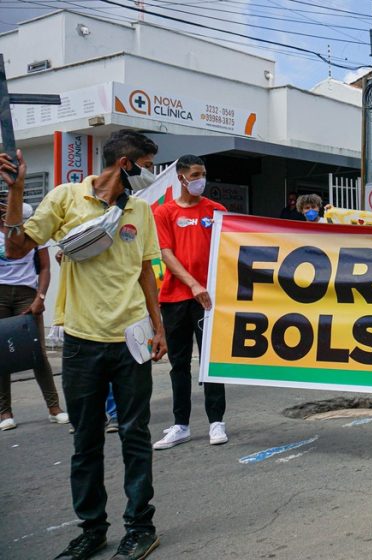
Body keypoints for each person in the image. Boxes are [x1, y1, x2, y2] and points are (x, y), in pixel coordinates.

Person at [1, 130, 166, 560]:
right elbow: (17, 245)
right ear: (127, 165)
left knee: (134, 434)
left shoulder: (140, 209)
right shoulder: (65, 198)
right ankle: (92, 528)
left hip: (131, 338)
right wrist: (16, 192)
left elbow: (147, 270)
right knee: (86, 440)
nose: (152, 174)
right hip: (80, 340)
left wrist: (157, 326)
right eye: (148, 165)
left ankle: (140, 527)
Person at [153, 154, 228, 450]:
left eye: (204, 174)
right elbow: (166, 253)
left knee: (210, 362)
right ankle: (180, 425)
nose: (201, 180)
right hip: (175, 298)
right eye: (195, 174)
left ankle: (216, 421)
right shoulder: (164, 212)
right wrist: (193, 283)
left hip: (208, 300)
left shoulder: (217, 211)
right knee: (179, 364)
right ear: (181, 177)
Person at [0, 202, 69, 431]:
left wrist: (40, 297)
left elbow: (45, 268)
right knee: (2, 354)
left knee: (37, 351)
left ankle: (54, 408)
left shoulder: (32, 231)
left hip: (27, 294)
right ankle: (5, 412)